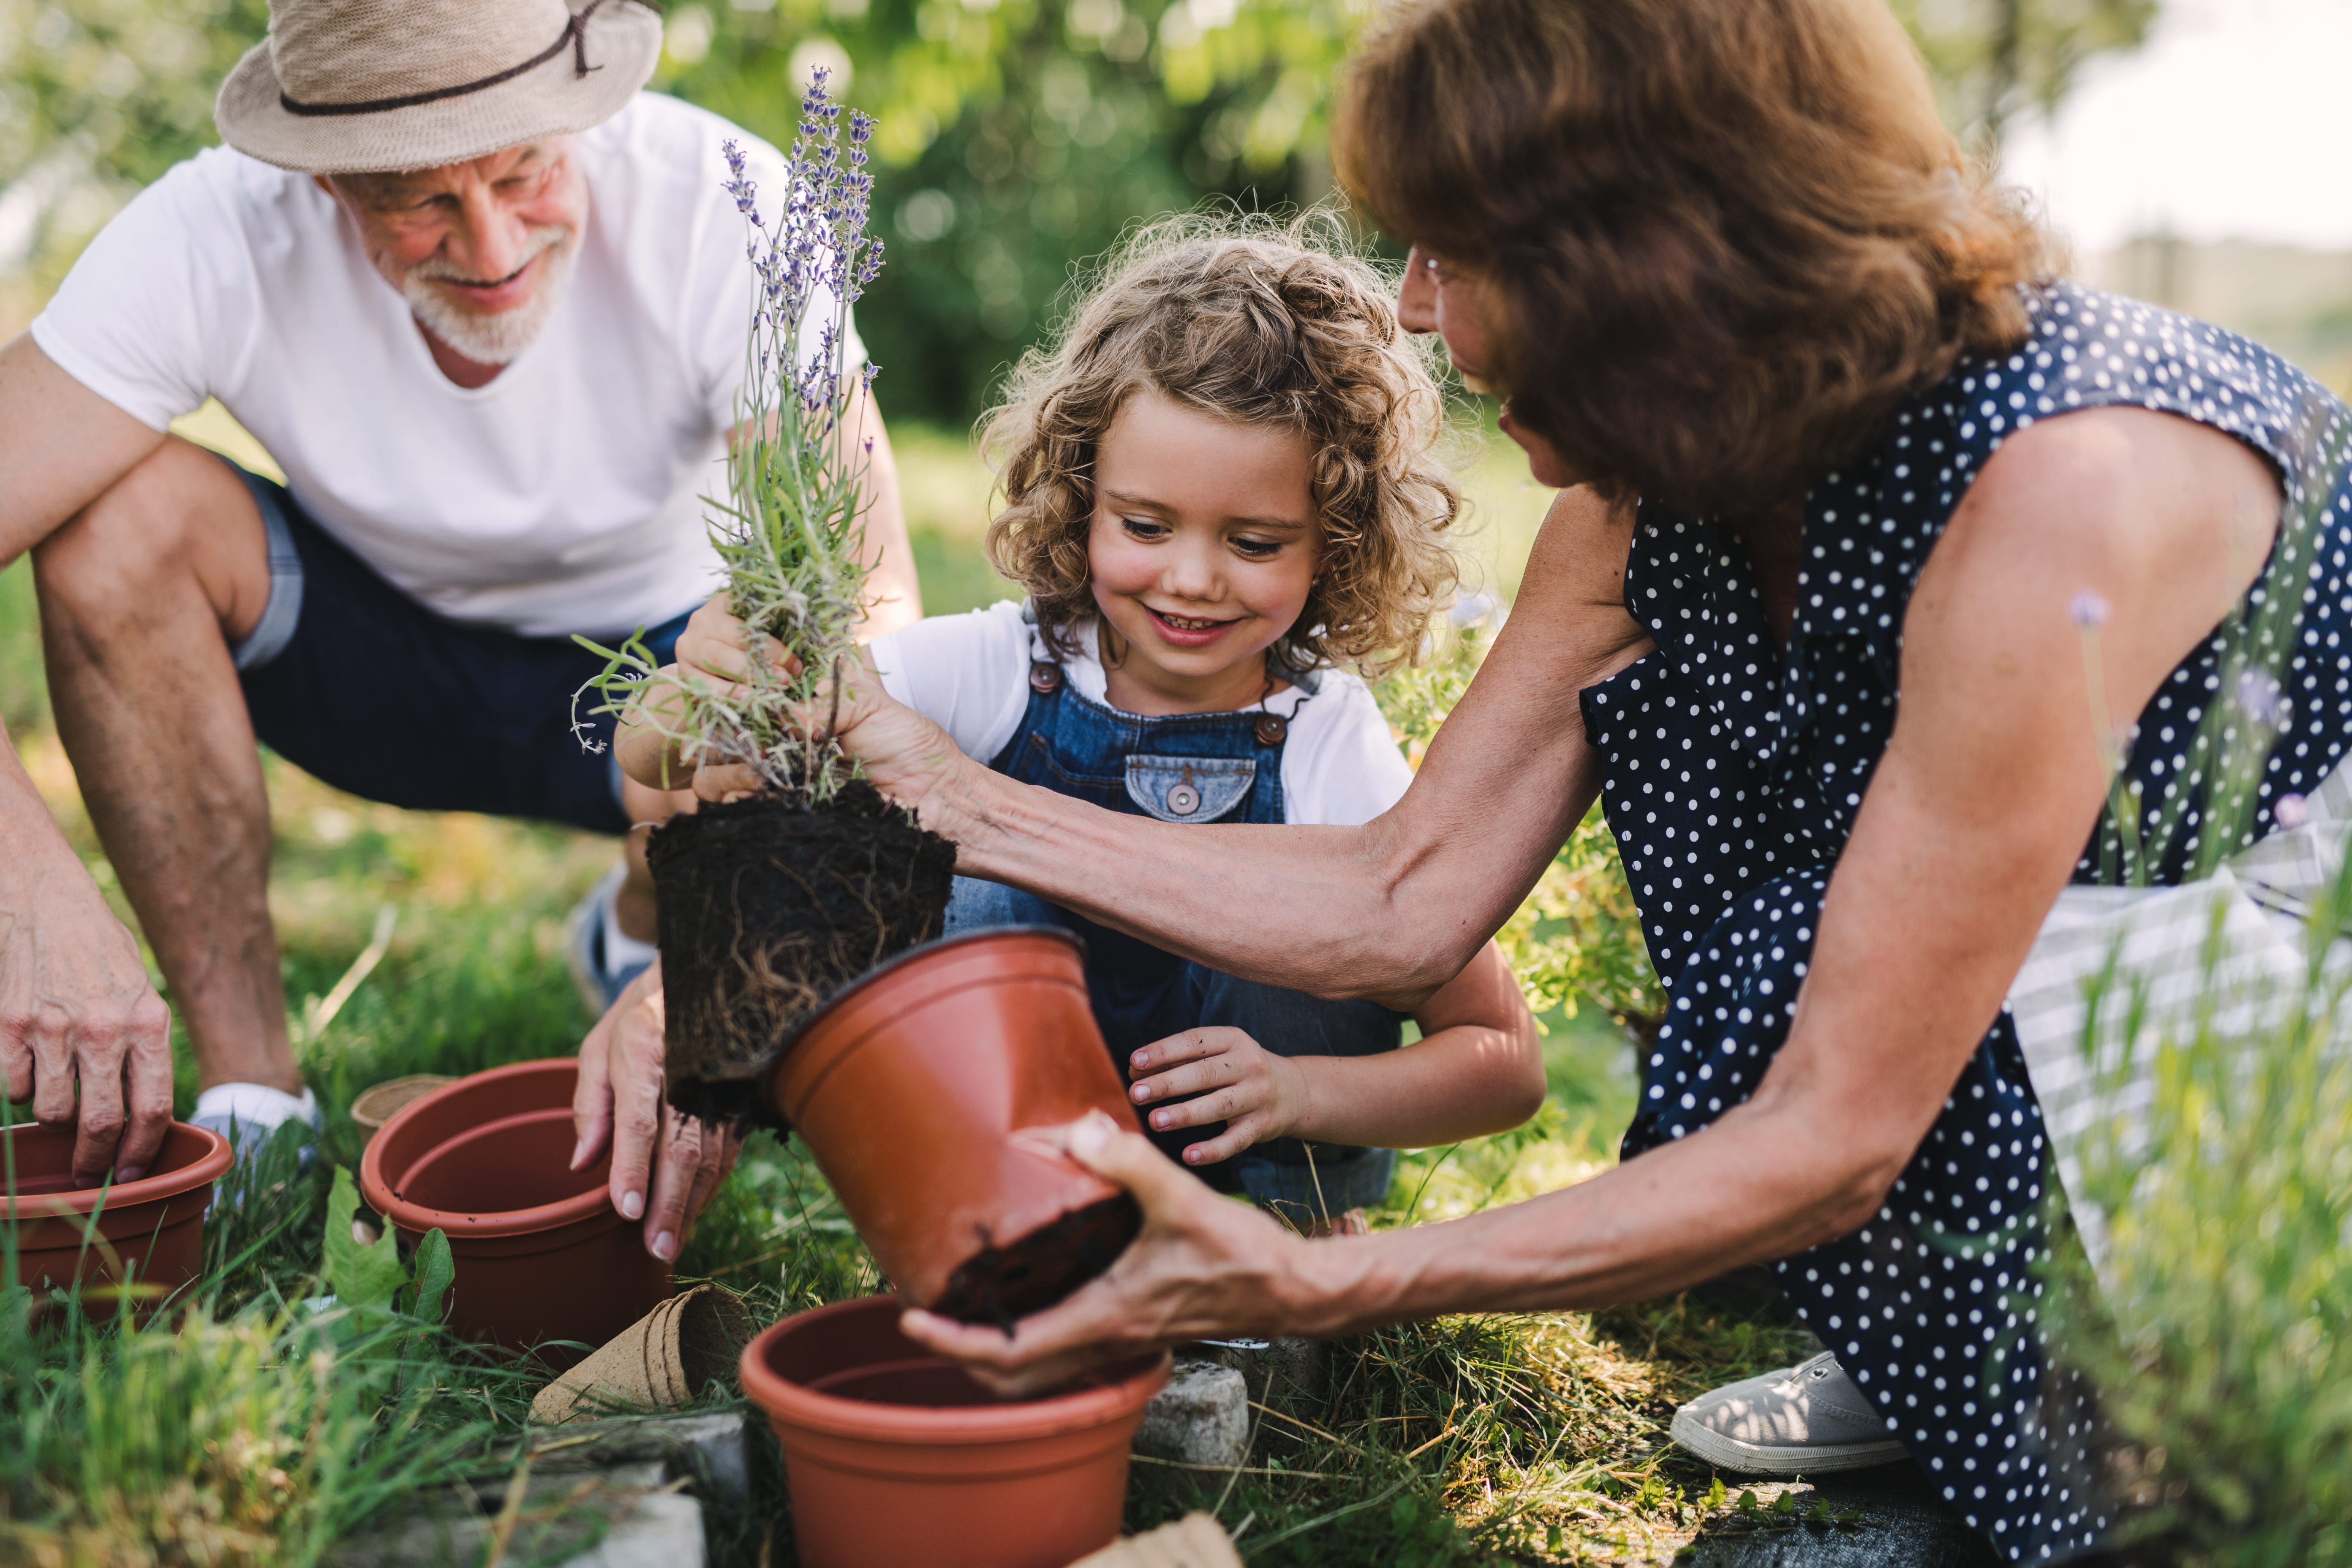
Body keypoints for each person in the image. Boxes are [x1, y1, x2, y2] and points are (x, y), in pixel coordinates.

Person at [645, 0, 2349, 1558]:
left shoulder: (2059, 498)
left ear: (1645, 261)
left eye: (1451, 254)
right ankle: (1951, 1374)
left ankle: (2116, 1398)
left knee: (2189, 1498)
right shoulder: (1654, 490)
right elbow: (1405, 895)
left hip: (2261, 1018)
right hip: (2016, 948)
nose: (1407, 307)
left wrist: (1319, 1277)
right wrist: (949, 793)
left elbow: (1835, 1127)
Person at [0, 0, 918, 1212]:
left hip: (655, 687)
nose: (488, 247)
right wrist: (30, 890)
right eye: (418, 201)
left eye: (525, 171)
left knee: (772, 673)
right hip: (371, 663)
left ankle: (642, 929)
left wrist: (702, 973)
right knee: (113, 526)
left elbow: (869, 614)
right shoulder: (211, 229)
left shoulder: (720, 203)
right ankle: (257, 1101)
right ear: (324, 178)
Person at [609, 223, 1546, 1234]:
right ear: (1081, 496)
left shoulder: (1326, 738)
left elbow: (1503, 1062)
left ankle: (1294, 1233)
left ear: (1339, 541)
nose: (1191, 577)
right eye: (1145, 526)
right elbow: (662, 753)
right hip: (1016, 1172)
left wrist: (1304, 1091)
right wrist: (703, 681)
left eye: (1255, 540)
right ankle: (991, 1221)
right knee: (960, 885)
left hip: (1250, 1178)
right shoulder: (999, 667)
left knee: (1320, 918)